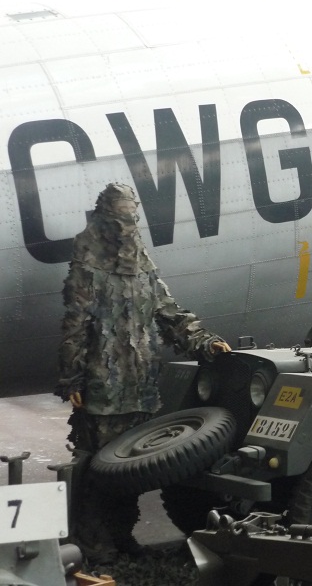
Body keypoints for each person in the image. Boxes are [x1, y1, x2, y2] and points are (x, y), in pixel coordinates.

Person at [55, 182, 231, 563]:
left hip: (140, 385)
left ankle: (121, 537)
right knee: (97, 473)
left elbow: (167, 311)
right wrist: (72, 378)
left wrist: (203, 341)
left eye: (132, 216)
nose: (127, 224)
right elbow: (75, 324)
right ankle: (93, 547)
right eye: (121, 216)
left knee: (129, 470)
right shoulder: (87, 263)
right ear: (106, 215)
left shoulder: (141, 264)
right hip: (102, 388)